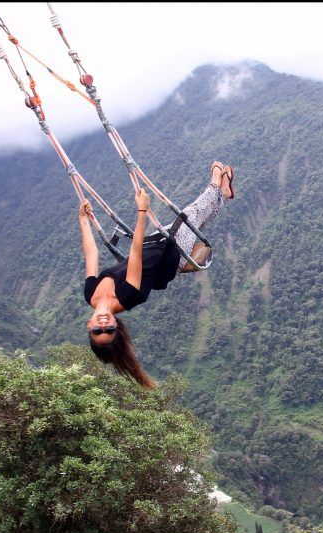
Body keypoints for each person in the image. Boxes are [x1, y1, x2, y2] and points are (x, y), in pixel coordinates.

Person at [81, 162, 234, 388]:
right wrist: (142, 211)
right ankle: (215, 183)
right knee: (190, 214)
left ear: (89, 325)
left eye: (98, 330)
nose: (103, 325)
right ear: (116, 325)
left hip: (152, 246)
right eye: (109, 330)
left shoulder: (90, 295)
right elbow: (134, 255)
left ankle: (223, 192)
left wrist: (83, 220)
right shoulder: (128, 297)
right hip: (170, 257)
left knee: (195, 218)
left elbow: (92, 254)